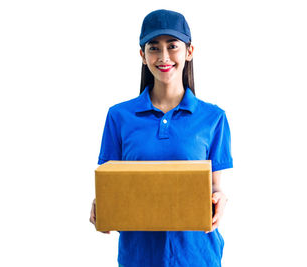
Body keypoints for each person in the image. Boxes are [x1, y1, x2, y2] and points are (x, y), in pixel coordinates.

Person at [89, 9, 233, 267]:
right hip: (139, 257)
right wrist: (102, 204)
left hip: (197, 256)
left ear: (189, 51)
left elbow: (214, 186)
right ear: (143, 56)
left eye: (173, 46)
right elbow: (111, 183)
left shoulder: (213, 118)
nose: (163, 56)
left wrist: (220, 198)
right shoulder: (119, 117)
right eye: (154, 47)